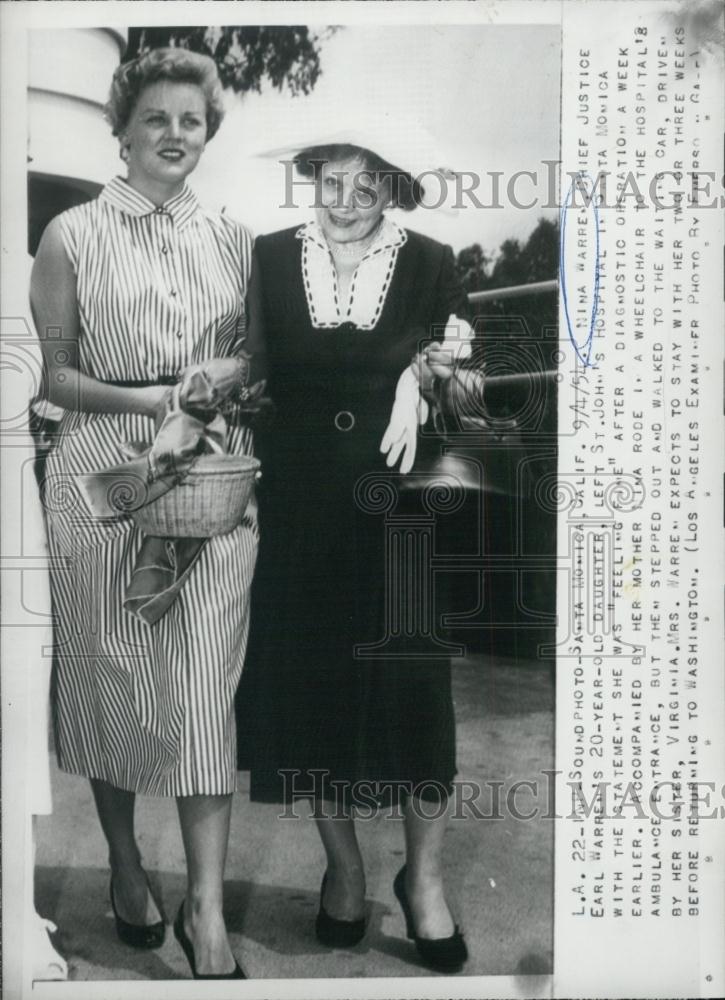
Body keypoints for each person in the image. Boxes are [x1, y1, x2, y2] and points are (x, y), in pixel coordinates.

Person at [30, 48, 257, 980]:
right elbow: (52, 373)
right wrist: (151, 399)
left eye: (190, 121)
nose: (173, 134)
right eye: (155, 118)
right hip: (99, 480)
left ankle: (205, 911)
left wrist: (208, 392)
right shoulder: (70, 235)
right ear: (120, 129)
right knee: (111, 682)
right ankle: (127, 867)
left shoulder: (238, 241)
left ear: (208, 134)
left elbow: (254, 358)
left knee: (205, 697)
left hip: (210, 482)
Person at [237, 138, 473, 973]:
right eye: (329, 181)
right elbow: (253, 365)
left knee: (414, 690)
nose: (342, 199)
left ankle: (427, 880)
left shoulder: (431, 262)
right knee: (310, 687)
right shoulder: (267, 256)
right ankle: (343, 867)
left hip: (396, 501)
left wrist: (424, 376)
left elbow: (464, 374)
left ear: (392, 189)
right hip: (299, 502)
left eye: (364, 185)